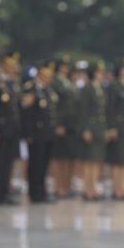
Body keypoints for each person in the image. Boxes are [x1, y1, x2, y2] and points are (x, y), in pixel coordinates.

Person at [0, 51, 21, 204]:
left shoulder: (12, 82)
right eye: (9, 65)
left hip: (11, 129)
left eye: (14, 65)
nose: (12, 68)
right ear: (3, 65)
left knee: (8, 162)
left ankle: (5, 191)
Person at [21, 61, 57, 203]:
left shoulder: (48, 90)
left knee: (44, 164)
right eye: (45, 76)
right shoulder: (31, 89)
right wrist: (28, 134)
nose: (48, 79)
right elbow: (27, 113)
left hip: (47, 133)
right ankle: (34, 193)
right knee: (35, 163)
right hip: (36, 133)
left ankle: (42, 191)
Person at [77, 61, 107, 200]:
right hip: (90, 128)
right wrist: (85, 129)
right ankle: (87, 189)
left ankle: (93, 187)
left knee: (96, 160)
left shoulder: (99, 88)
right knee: (89, 161)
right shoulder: (87, 89)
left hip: (99, 129)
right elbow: (83, 111)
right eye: (99, 72)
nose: (102, 75)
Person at [106, 57, 124, 199]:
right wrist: (111, 127)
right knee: (117, 160)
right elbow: (110, 107)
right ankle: (116, 189)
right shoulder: (114, 85)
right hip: (118, 127)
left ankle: (121, 187)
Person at [49, 57, 77, 198]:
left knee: (69, 157)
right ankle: (58, 187)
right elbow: (55, 106)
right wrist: (58, 123)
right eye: (62, 66)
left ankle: (67, 186)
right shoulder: (55, 82)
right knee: (59, 158)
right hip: (61, 124)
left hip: (71, 124)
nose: (65, 69)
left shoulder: (69, 82)